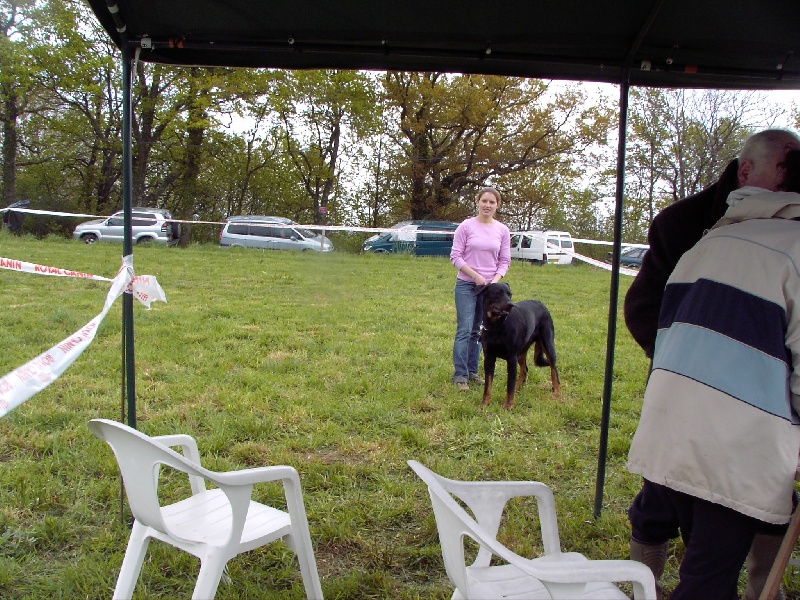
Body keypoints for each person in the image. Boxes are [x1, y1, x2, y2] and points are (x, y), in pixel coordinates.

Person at [623, 128, 800, 599]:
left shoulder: (712, 241)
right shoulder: (692, 231)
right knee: (703, 568)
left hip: (695, 418)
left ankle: (766, 590)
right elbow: (651, 316)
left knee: (720, 548)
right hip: (729, 431)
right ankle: (644, 586)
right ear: (747, 172)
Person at [449, 187, 511, 391]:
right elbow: (455, 256)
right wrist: (475, 276)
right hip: (467, 285)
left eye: (492, 202)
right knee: (465, 329)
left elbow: (504, 261)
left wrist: (494, 280)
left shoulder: (502, 230)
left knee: (478, 330)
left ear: (497, 205)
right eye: (484, 201)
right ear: (478, 202)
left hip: (490, 289)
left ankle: (473, 371)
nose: (488, 205)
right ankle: (460, 375)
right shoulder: (466, 227)